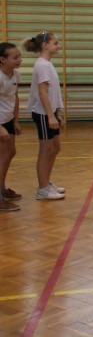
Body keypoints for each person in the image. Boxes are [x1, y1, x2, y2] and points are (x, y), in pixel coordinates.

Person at [24, 32, 66, 200]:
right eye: (55, 43)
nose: (58, 46)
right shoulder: (41, 65)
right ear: (45, 45)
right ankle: (42, 190)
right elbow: (42, 93)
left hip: (50, 112)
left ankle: (46, 182)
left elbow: (52, 92)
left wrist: (56, 113)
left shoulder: (47, 64)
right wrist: (50, 116)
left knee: (55, 147)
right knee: (45, 150)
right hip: (42, 113)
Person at [0, 43, 23, 211]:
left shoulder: (15, 74)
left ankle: (2, 188)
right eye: (15, 57)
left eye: (19, 56)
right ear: (2, 60)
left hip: (8, 120)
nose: (19, 60)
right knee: (2, 157)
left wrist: (15, 121)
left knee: (10, 153)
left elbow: (15, 98)